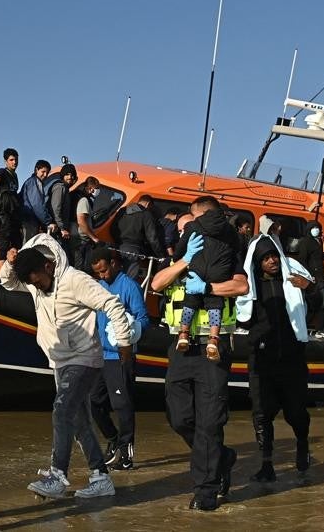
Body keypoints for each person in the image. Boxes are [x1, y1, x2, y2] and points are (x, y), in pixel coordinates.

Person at [0, 236, 133, 500]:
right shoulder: (36, 282)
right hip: (59, 360)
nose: (36, 287)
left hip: (83, 358)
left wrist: (124, 342)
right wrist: (9, 262)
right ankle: (100, 477)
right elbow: (8, 282)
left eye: (37, 280)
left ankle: (57, 475)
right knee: (78, 421)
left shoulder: (75, 280)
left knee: (61, 410)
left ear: (48, 267)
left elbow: (112, 304)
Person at [152, 221, 249, 511]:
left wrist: (208, 286)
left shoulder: (226, 255)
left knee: (209, 420)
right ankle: (221, 456)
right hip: (181, 348)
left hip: (212, 348)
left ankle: (206, 491)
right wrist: (184, 260)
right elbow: (157, 283)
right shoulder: (182, 257)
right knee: (179, 417)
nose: (184, 234)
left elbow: (241, 285)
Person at [237, 234, 314, 483]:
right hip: (261, 358)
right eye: (266, 258)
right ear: (257, 261)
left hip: (292, 358)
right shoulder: (249, 287)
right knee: (261, 414)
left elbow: (319, 305)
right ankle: (266, 463)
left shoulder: (293, 281)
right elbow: (243, 319)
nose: (271, 261)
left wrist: (308, 289)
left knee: (296, 412)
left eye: (274, 256)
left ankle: (302, 443)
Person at [87, 248, 150, 471]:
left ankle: (126, 452)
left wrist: (130, 331)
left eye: (104, 270)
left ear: (114, 263)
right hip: (99, 355)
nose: (102, 276)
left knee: (122, 405)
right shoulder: (99, 287)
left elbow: (143, 319)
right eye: (98, 273)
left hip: (120, 355)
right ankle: (113, 438)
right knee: (94, 402)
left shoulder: (129, 286)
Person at [171, 196, 240, 361]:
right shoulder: (230, 230)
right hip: (219, 275)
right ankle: (214, 339)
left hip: (197, 271)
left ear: (202, 213)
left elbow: (179, 252)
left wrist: (184, 256)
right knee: (215, 306)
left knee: (189, 303)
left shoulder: (193, 226)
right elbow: (236, 250)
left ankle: (183, 334)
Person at [113, 194, 166, 282]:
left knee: (116, 278)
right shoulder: (146, 214)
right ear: (148, 204)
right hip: (134, 250)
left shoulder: (123, 210)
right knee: (129, 281)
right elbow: (152, 238)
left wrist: (118, 242)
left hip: (117, 247)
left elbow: (113, 228)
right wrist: (160, 255)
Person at [291, 221, 324, 334]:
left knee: (322, 303)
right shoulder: (305, 242)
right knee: (313, 302)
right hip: (312, 278)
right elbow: (302, 260)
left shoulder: (320, 242)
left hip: (321, 277)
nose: (316, 229)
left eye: (318, 227)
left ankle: (319, 327)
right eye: (314, 227)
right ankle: (306, 326)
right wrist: (308, 275)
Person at [0, 148, 23, 257]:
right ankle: (1, 269)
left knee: (16, 241)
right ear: (6, 161)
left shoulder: (14, 176)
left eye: (16, 160)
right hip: (3, 213)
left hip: (13, 213)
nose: (14, 162)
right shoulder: (2, 172)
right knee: (4, 240)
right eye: (11, 160)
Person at [72, 176, 103, 269]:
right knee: (80, 269)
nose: (98, 191)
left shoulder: (86, 200)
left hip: (81, 241)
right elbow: (81, 221)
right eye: (96, 189)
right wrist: (94, 238)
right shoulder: (84, 200)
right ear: (90, 189)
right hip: (80, 241)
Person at [19, 159, 53, 241]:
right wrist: (48, 221)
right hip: (28, 221)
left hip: (30, 220)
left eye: (47, 173)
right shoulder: (33, 182)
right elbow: (37, 205)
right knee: (28, 247)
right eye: (43, 171)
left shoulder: (37, 182)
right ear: (36, 170)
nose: (45, 175)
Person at [46, 164, 78, 249]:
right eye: (67, 174)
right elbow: (56, 208)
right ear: (62, 175)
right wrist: (62, 228)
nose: (70, 177)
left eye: (72, 175)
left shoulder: (66, 188)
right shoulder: (60, 187)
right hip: (57, 230)